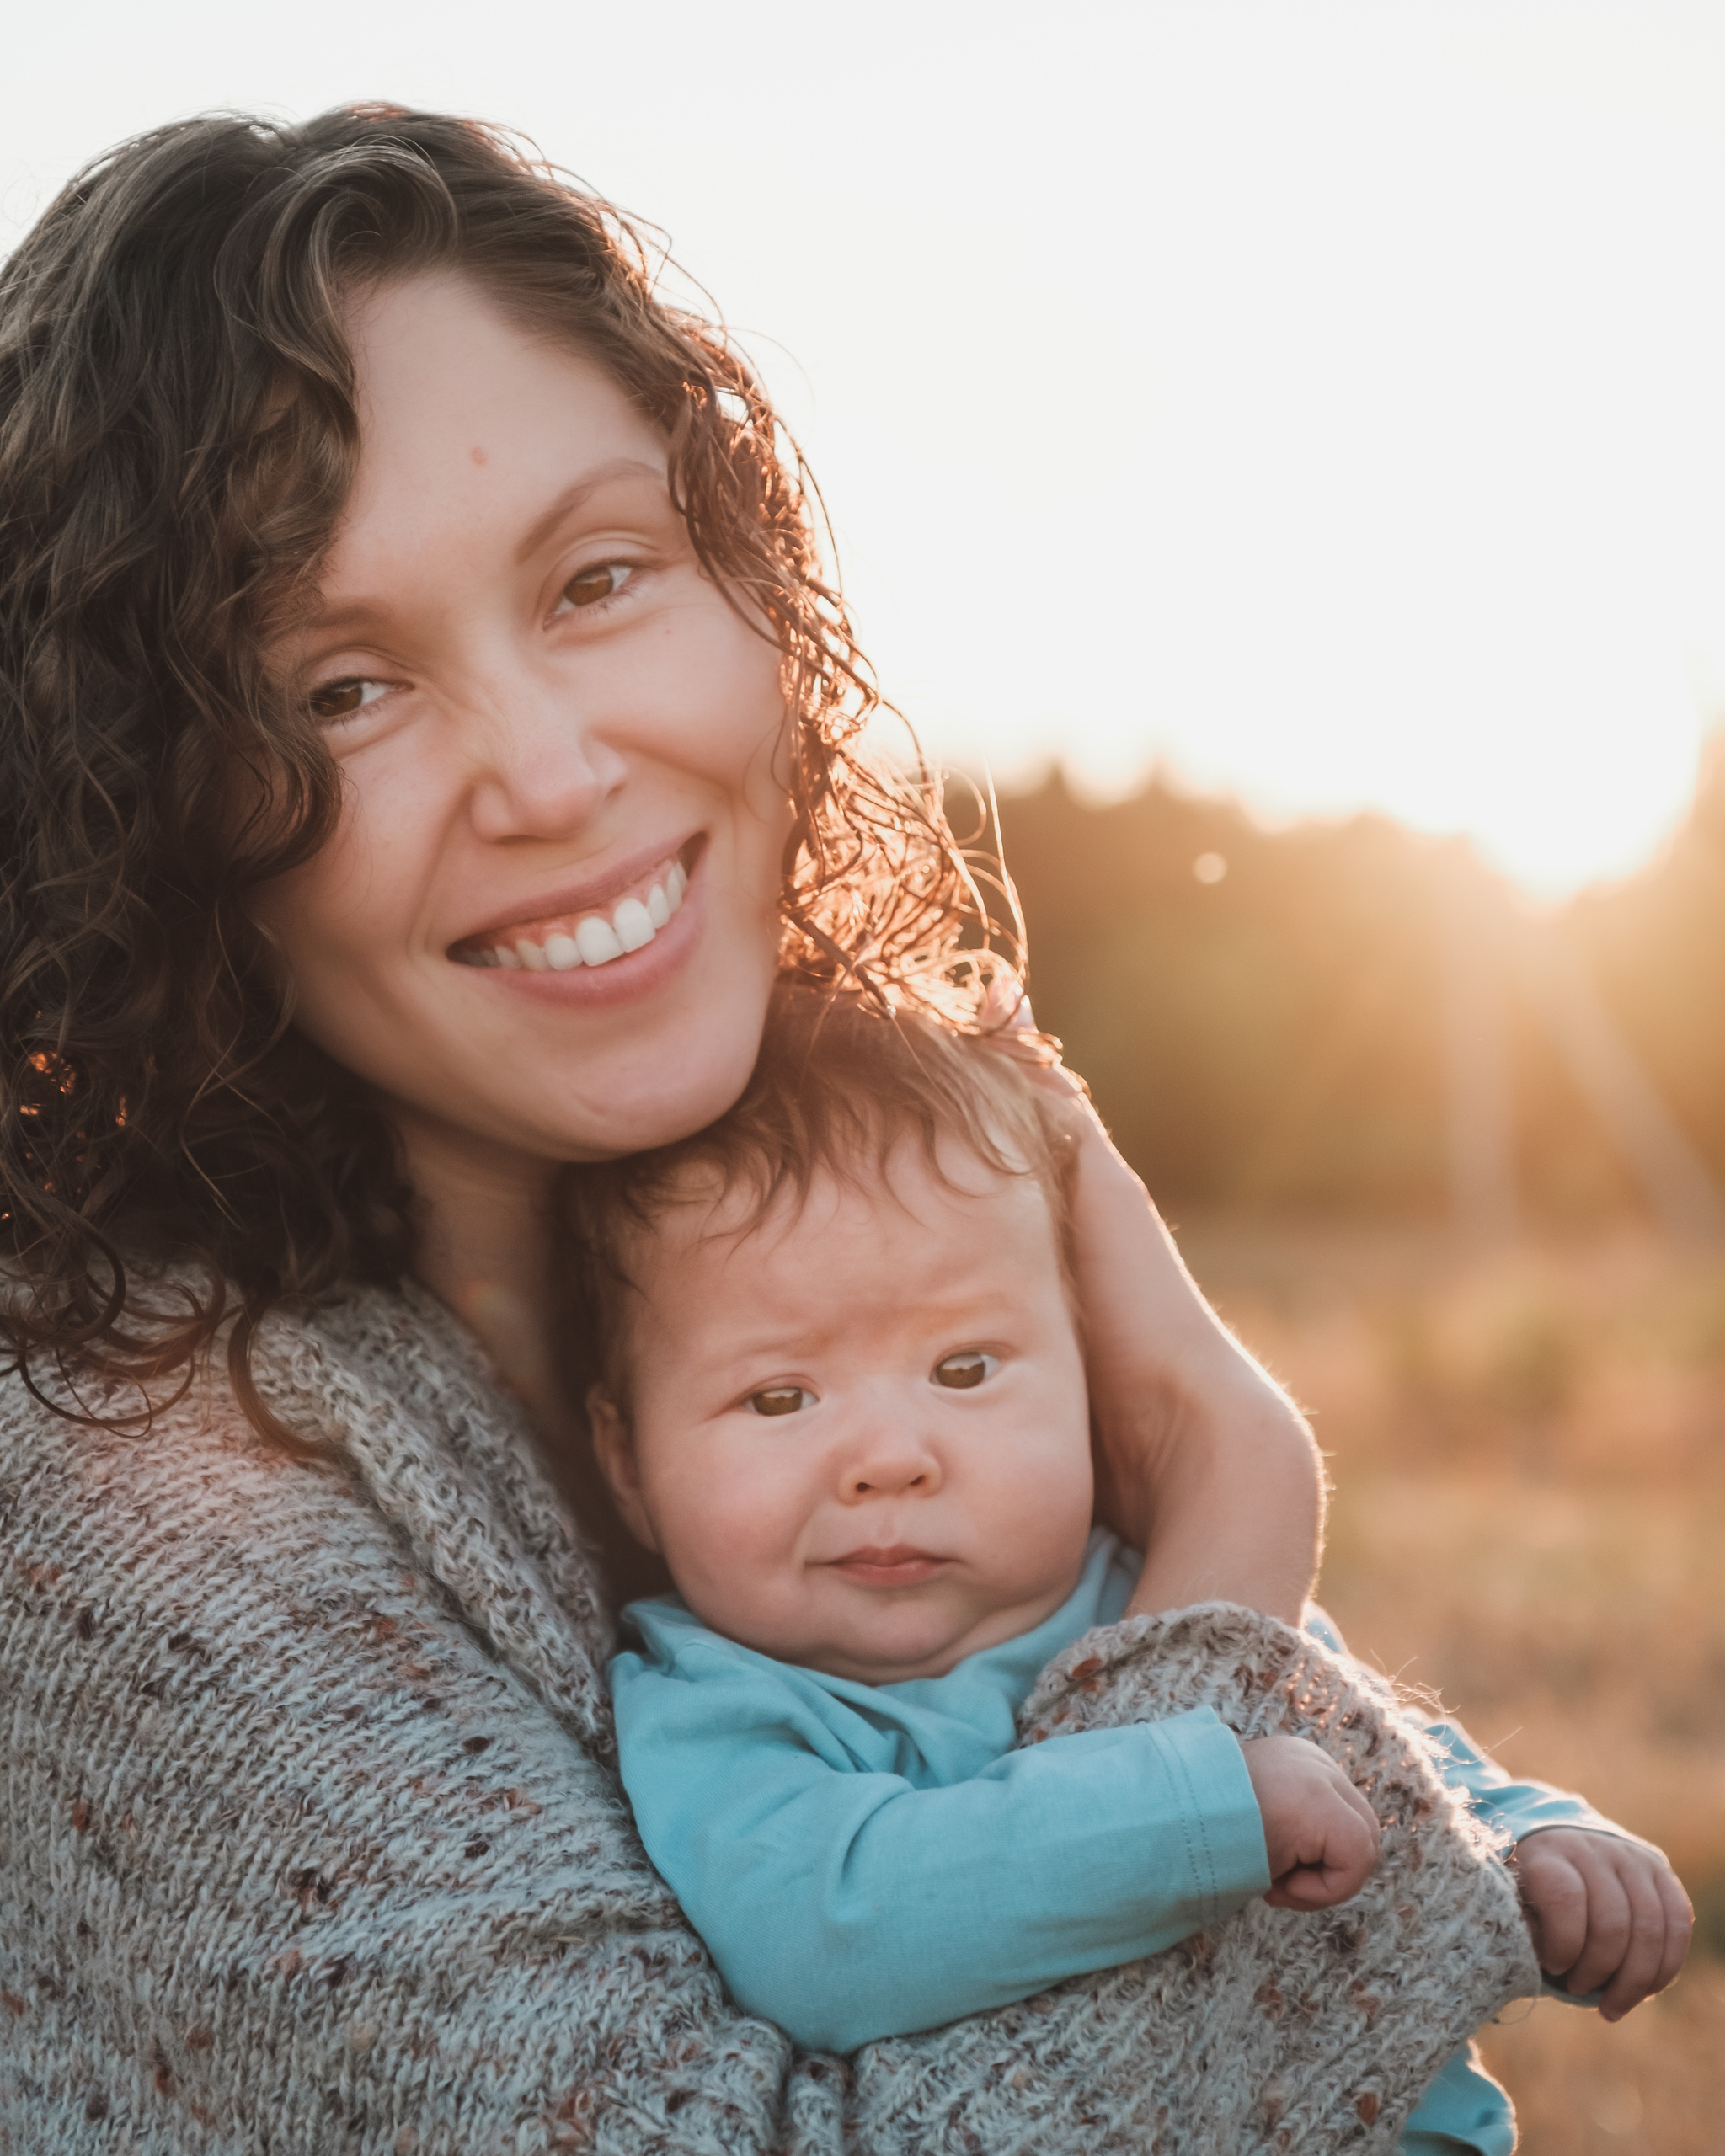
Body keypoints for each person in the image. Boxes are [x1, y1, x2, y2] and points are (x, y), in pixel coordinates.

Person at [0, 104, 1685, 2154]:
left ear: (748, 577)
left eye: (597, 576)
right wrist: (1231, 1504)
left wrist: (1483, 1813)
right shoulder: (119, 1480)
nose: (554, 772)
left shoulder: (833, 1225)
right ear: (144, 813)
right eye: (339, 689)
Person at [567, 988, 1691, 2141]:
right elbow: (826, 1933)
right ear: (628, 1461)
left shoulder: (1159, 1585)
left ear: (1090, 1377)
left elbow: (1390, 1763)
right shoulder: (711, 1703)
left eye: (964, 1370)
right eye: (778, 1397)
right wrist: (1192, 1809)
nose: (891, 1459)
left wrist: (1532, 1840)